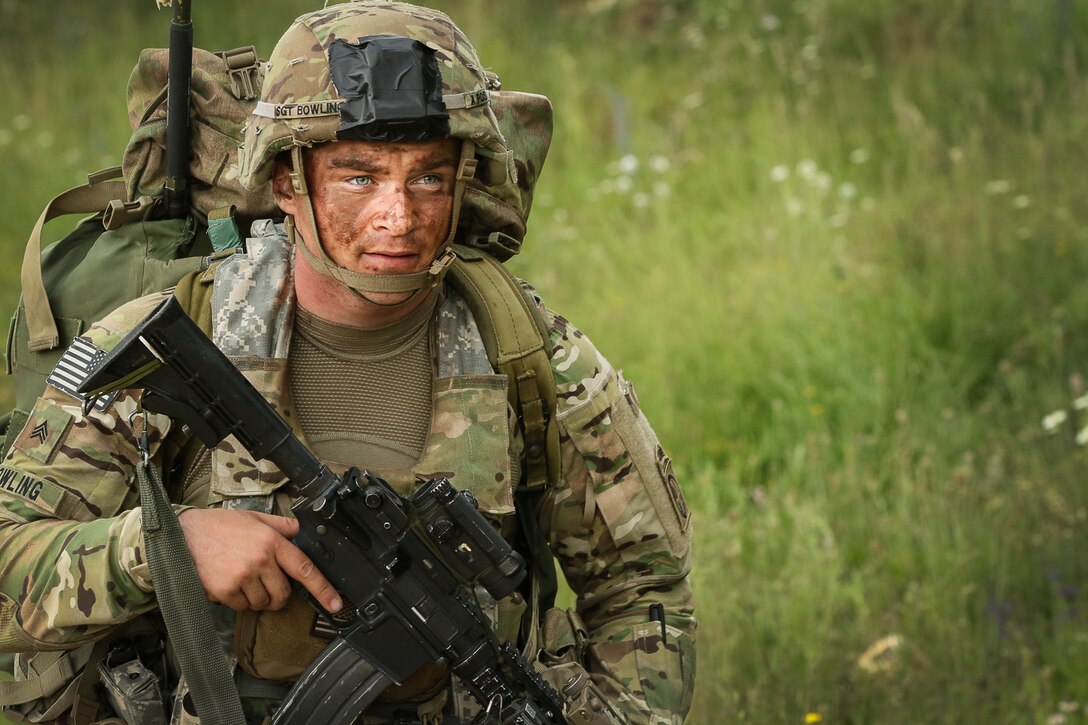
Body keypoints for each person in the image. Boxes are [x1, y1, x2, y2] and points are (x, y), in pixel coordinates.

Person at [0, 2, 696, 723]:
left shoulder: (529, 351)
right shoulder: (173, 336)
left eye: (428, 177)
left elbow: (645, 591)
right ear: (285, 184)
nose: (398, 216)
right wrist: (166, 547)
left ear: (465, 180)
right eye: (359, 178)